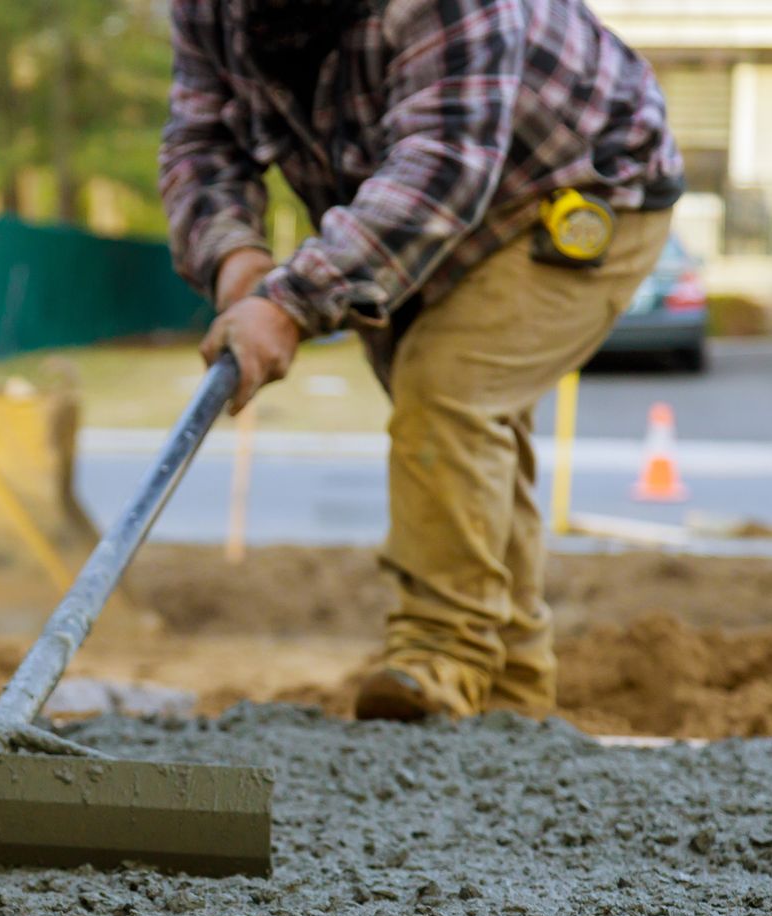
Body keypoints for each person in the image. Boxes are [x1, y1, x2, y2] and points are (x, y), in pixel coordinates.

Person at [160, 0, 684, 721]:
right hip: (414, 218)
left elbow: (441, 166)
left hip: (578, 189)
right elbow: (201, 139)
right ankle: (511, 703)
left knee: (447, 392)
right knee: (466, 441)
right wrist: (233, 257)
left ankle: (444, 658)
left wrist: (289, 303)